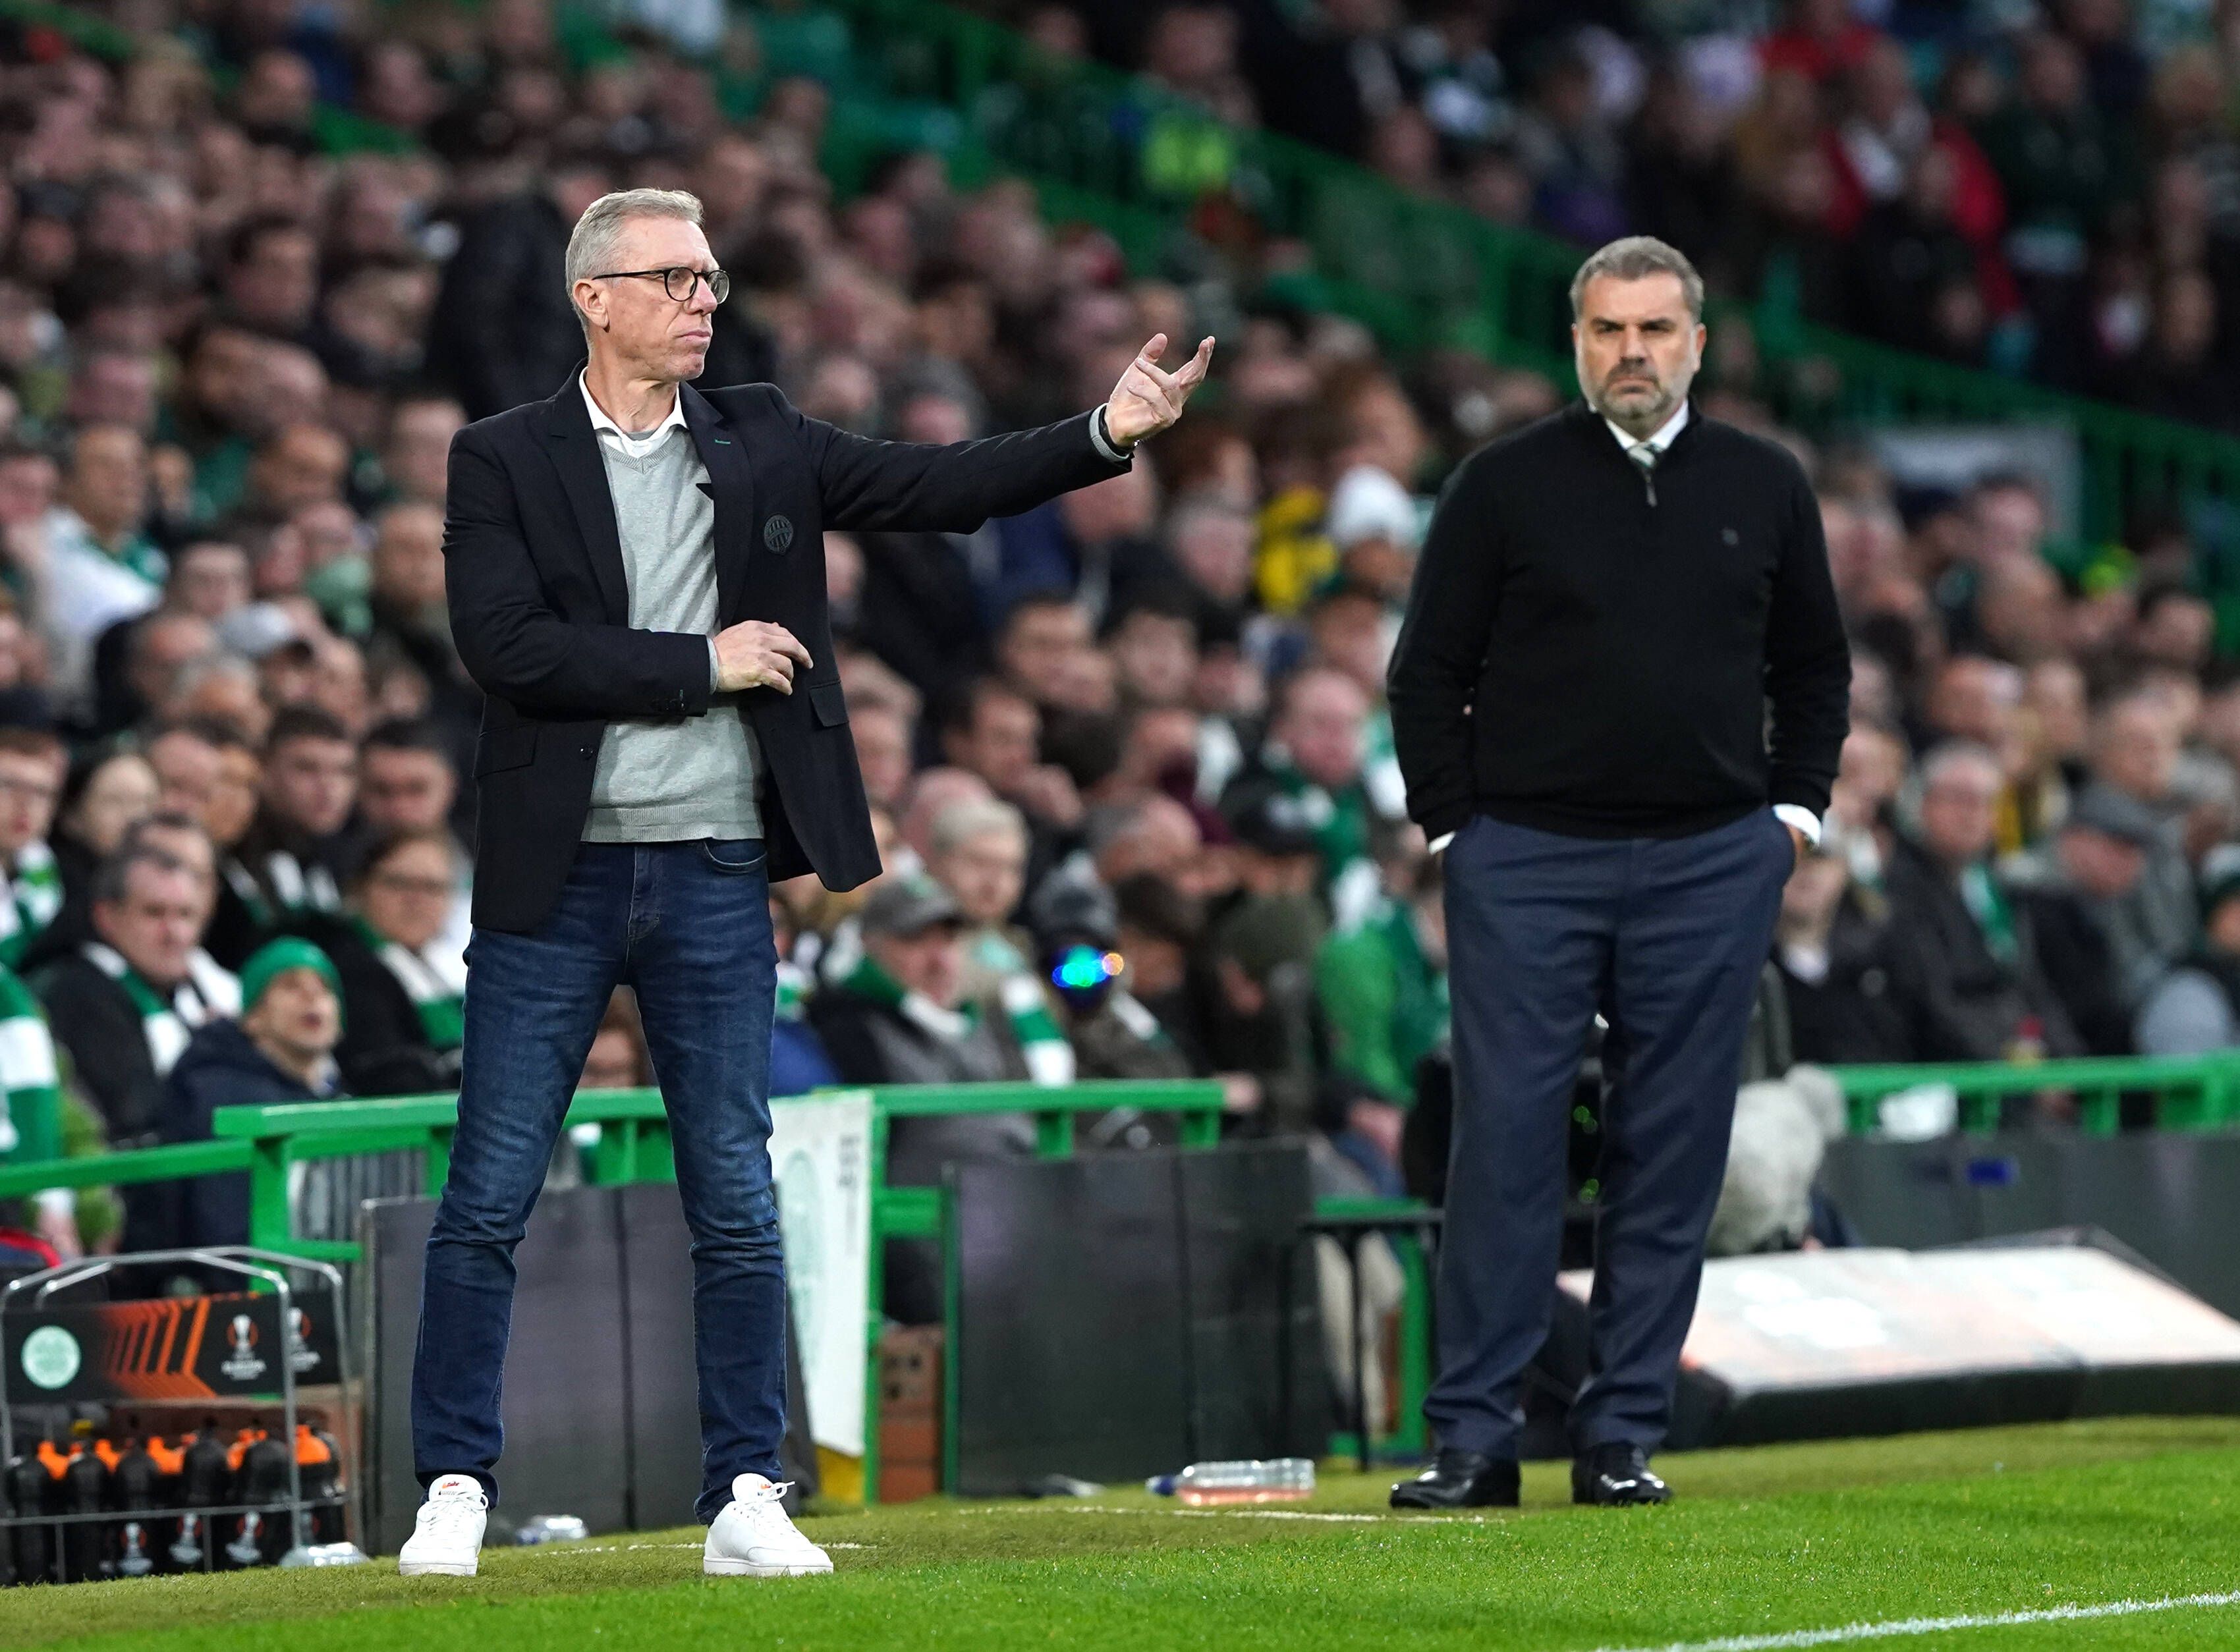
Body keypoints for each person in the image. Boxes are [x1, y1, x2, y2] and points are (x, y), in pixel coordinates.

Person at [399, 186, 1210, 1579]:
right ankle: (456, 1484)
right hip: (559, 877)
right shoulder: (501, 455)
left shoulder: (762, 431)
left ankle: (744, 1490)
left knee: (734, 1189)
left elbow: (936, 484)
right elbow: (505, 646)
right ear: (594, 297)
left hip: (719, 871)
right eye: (674, 278)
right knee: (489, 1189)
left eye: (710, 278)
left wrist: (1102, 433)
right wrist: (697, 665)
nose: (703, 300)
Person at [1384, 238, 1849, 1510]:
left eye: (1653, 328)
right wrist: (1458, 832)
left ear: (1699, 340)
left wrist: (1791, 818)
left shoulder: (1767, 480)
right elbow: (1427, 671)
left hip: (1713, 858)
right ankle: (1473, 1440)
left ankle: (1621, 1434)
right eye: (1606, 329)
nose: (1630, 351)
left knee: (1674, 1146)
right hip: (1526, 857)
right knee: (1504, 1141)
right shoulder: (1501, 483)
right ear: (1577, 342)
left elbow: (1815, 667)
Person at [163, 937, 346, 1250]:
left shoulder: (335, 1096)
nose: (312, 997)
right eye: (290, 986)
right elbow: (224, 1226)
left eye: (324, 988)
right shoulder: (219, 1094)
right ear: (253, 1018)